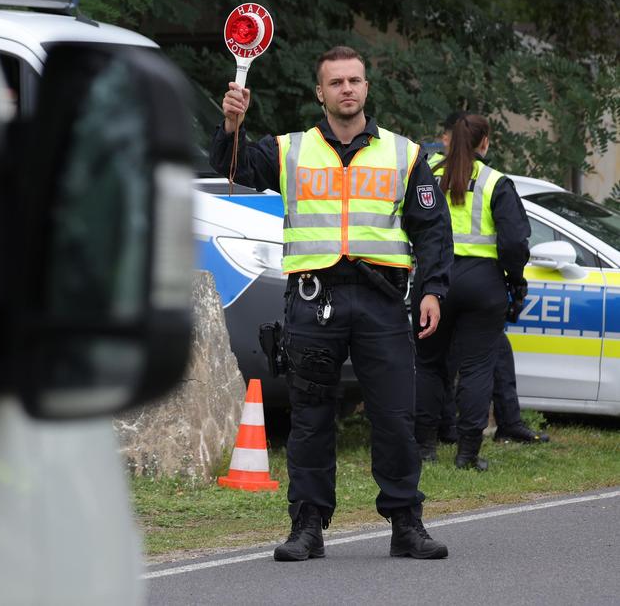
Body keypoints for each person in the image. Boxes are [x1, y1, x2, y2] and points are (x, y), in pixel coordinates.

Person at [213, 45, 453, 561]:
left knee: (394, 417)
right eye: (337, 82)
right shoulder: (289, 149)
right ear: (319, 93)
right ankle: (307, 528)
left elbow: (432, 230)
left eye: (356, 80)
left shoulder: (403, 154)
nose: (348, 89)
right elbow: (231, 168)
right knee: (310, 418)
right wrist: (232, 126)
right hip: (312, 300)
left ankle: (406, 524)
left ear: (367, 88)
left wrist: (434, 290)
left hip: (382, 302)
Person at [414, 113, 537, 469]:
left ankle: (424, 448)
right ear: (484, 143)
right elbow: (515, 242)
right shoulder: (494, 181)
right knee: (477, 368)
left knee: (427, 363)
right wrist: (515, 279)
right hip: (482, 281)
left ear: (448, 139)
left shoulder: (423, 172)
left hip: (433, 280)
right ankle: (467, 454)